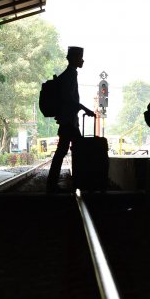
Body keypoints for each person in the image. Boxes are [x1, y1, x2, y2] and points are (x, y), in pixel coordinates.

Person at [46, 46, 94, 193]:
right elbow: (69, 99)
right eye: (80, 57)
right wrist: (85, 109)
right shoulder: (70, 75)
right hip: (68, 121)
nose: (82, 60)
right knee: (72, 150)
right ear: (73, 59)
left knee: (65, 150)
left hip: (69, 120)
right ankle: (75, 182)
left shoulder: (69, 74)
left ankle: (57, 183)